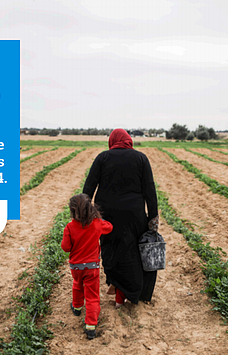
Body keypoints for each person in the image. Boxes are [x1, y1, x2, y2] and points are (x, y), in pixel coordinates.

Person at [83, 128, 159, 307]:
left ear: (112, 141)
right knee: (131, 253)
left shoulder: (102, 158)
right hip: (134, 215)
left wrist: (84, 213)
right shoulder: (141, 159)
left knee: (111, 250)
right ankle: (124, 294)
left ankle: (116, 286)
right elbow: (150, 190)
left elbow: (89, 187)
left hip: (105, 215)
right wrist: (153, 218)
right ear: (128, 141)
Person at [61, 193, 113, 340]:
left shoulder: (70, 227)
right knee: (92, 295)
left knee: (77, 284)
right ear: (91, 208)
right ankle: (90, 325)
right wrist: (99, 218)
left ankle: (77, 307)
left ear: (72, 211)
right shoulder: (97, 223)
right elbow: (109, 227)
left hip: (76, 267)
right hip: (92, 266)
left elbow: (65, 247)